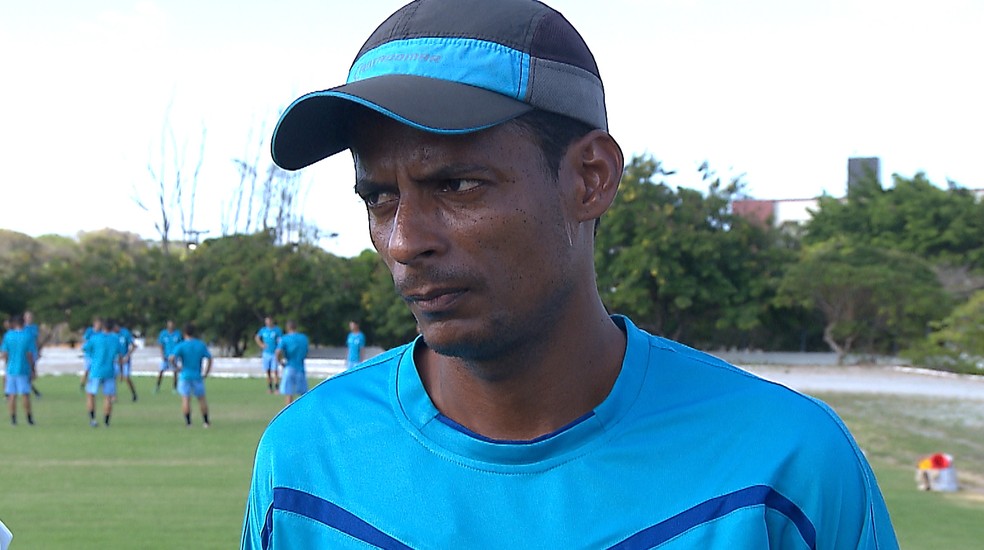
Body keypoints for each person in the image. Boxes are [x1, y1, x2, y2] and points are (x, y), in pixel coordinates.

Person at [242, 1, 899, 548]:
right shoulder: (305, 467)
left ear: (590, 178)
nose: (405, 240)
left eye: (457, 183)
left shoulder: (786, 470)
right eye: (379, 197)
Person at [168, 323, 213, 428]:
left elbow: (171, 358)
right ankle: (206, 421)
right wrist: (206, 372)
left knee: (186, 399)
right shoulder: (200, 345)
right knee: (201, 399)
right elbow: (209, 358)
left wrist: (177, 367)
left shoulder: (181, 345)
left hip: (185, 375)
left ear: (184, 333)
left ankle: (189, 422)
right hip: (197, 375)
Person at [82, 319, 121, 427]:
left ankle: (93, 419)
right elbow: (121, 353)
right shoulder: (115, 339)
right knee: (108, 397)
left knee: (90, 394)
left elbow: (85, 348)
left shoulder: (95, 338)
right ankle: (106, 422)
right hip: (109, 370)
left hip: (96, 369)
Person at [2, 315, 37, 426]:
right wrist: (33, 369)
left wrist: (6, 364)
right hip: (23, 368)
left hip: (11, 369)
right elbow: (30, 354)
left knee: (11, 394)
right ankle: (29, 418)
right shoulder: (27, 336)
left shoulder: (8, 336)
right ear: (23, 323)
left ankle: (13, 419)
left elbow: (4, 353)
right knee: (25, 394)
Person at [274, 320, 308, 405]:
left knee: (289, 393)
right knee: (303, 394)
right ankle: (304, 412)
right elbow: (306, 351)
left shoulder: (285, 338)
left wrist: (280, 362)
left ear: (287, 328)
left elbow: (277, 352)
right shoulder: (303, 338)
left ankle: (289, 414)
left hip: (289, 366)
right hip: (300, 367)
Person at [109, 319, 138, 402]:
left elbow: (134, 346)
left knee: (126, 377)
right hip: (115, 360)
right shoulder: (111, 335)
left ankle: (134, 393)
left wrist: (128, 356)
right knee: (112, 378)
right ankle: (113, 396)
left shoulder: (125, 333)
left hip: (124, 359)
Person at [254, 316, 283, 394]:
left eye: (269, 321)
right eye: (266, 321)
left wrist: (279, 349)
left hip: (274, 353)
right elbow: (257, 337)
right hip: (266, 353)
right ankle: (270, 388)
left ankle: (277, 388)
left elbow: (280, 340)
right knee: (267, 371)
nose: (268, 323)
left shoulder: (277, 330)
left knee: (275, 371)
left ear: (272, 321)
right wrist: (261, 345)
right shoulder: (263, 330)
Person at [156, 320, 183, 393]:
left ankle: (175, 388)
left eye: (172, 325)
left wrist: (179, 355)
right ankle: (157, 387)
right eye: (169, 325)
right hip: (165, 356)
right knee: (161, 371)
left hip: (174, 356)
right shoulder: (163, 334)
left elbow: (180, 345)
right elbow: (160, 345)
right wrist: (162, 355)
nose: (170, 326)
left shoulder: (177, 334)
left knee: (175, 372)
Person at [22, 311, 42, 398]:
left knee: (32, 374)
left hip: (33, 352)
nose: (29, 318)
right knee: (28, 373)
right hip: (25, 353)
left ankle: (31, 389)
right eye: (27, 317)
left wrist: (38, 351)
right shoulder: (22, 328)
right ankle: (34, 391)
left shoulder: (34, 327)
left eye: (30, 317)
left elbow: (37, 340)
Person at [79, 317, 102, 391]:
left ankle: (91, 385)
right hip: (89, 354)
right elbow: (85, 340)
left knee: (94, 371)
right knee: (86, 370)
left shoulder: (101, 333)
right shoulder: (90, 331)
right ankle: (82, 384)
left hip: (96, 355)